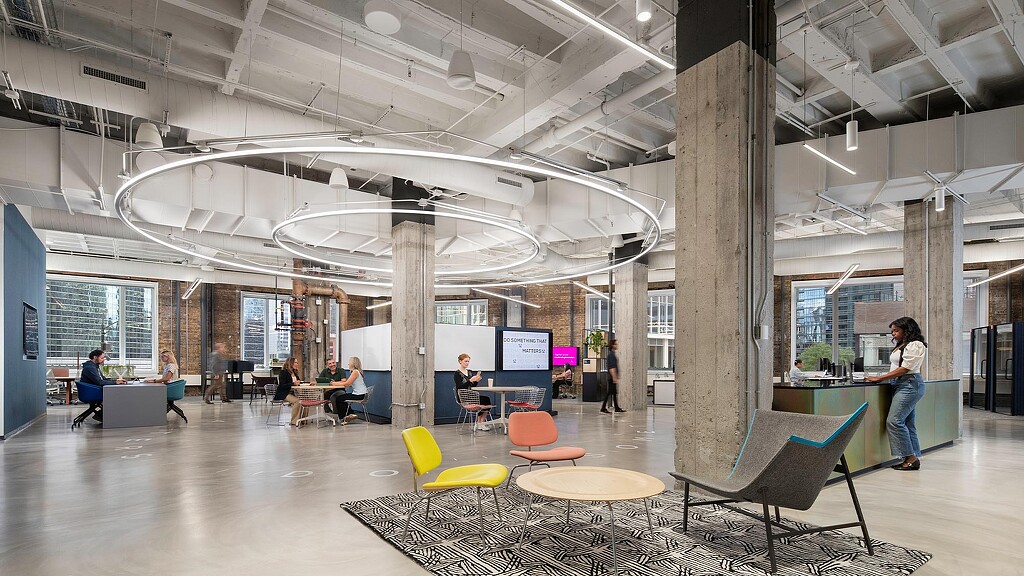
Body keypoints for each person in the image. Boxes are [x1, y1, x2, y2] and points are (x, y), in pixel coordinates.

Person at [866, 316, 928, 471]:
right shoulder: (903, 344)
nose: (893, 334)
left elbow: (905, 368)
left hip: (909, 384)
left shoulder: (915, 344)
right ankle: (912, 457)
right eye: (892, 331)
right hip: (900, 384)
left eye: (896, 330)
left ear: (907, 330)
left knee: (894, 421)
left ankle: (910, 458)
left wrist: (880, 378)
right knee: (907, 423)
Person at [80, 349, 125, 422]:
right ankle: (110, 417)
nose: (103, 360)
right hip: (92, 393)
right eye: (102, 358)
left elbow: (103, 379)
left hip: (94, 390)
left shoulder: (95, 366)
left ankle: (103, 416)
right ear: (95, 357)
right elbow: (99, 382)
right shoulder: (90, 368)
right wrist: (115, 383)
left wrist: (116, 381)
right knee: (117, 395)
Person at [454, 353, 492, 431]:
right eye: (465, 361)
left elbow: (472, 386)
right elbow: (460, 387)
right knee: (483, 400)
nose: (467, 363)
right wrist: (470, 380)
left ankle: (481, 422)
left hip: (471, 395)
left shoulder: (470, 372)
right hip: (463, 397)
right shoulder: (457, 374)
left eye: (468, 361)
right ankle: (480, 423)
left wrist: (476, 380)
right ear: (460, 361)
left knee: (486, 400)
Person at [328, 357, 368, 424]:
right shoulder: (358, 371)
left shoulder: (355, 372)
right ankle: (350, 414)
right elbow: (348, 383)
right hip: (361, 394)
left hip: (359, 395)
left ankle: (344, 417)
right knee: (342, 397)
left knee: (339, 399)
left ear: (353, 363)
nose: (348, 364)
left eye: (349, 363)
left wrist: (334, 383)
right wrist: (336, 383)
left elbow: (346, 384)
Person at [272, 357, 305, 426]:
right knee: (297, 401)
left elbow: (298, 382)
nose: (297, 364)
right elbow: (282, 385)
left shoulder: (295, 373)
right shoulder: (283, 372)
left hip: (293, 393)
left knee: (304, 401)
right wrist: (293, 384)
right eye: (295, 362)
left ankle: (303, 420)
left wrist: (306, 383)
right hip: (283, 393)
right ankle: (294, 421)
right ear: (290, 363)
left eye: (297, 363)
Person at [600, 339, 625, 413]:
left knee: (614, 393)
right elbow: (611, 367)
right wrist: (614, 377)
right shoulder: (611, 355)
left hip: (612, 377)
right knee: (609, 393)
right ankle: (603, 408)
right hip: (611, 377)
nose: (617, 345)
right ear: (612, 345)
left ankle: (616, 407)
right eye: (615, 344)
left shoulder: (612, 354)